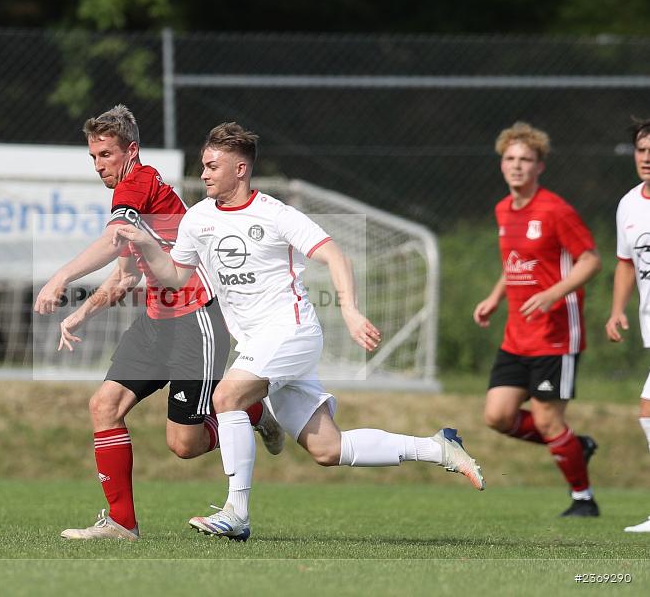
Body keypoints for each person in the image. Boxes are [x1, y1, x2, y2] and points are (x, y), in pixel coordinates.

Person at [114, 122, 485, 541]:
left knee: (227, 397)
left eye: (212, 166)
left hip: (292, 332)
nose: (203, 174)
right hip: (259, 344)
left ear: (240, 169)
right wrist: (145, 245)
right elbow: (177, 276)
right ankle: (439, 447)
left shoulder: (275, 214)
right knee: (329, 449)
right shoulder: (197, 219)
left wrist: (349, 309)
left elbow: (335, 256)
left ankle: (237, 512)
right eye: (203, 165)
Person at [32, 105, 283, 541]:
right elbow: (127, 275)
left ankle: (254, 409)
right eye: (93, 157)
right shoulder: (133, 197)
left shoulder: (140, 182)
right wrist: (81, 312)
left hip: (196, 320)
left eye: (106, 155)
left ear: (131, 150)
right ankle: (121, 523)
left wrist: (61, 276)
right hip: (155, 323)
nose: (99, 165)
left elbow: (112, 241)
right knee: (103, 407)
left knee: (184, 446)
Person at [473, 121, 601, 517]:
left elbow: (591, 260)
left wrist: (552, 293)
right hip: (517, 335)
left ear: (539, 166)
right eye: (510, 159)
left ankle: (583, 498)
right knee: (498, 415)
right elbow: (515, 263)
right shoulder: (502, 209)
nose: (517, 166)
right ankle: (574, 445)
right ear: (501, 164)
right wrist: (495, 297)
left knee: (548, 421)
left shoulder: (555, 210)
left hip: (556, 334)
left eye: (526, 159)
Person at [605, 118, 650, 533]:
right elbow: (624, 262)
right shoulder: (629, 204)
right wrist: (618, 308)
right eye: (641, 149)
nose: (647, 157)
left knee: (648, 410)